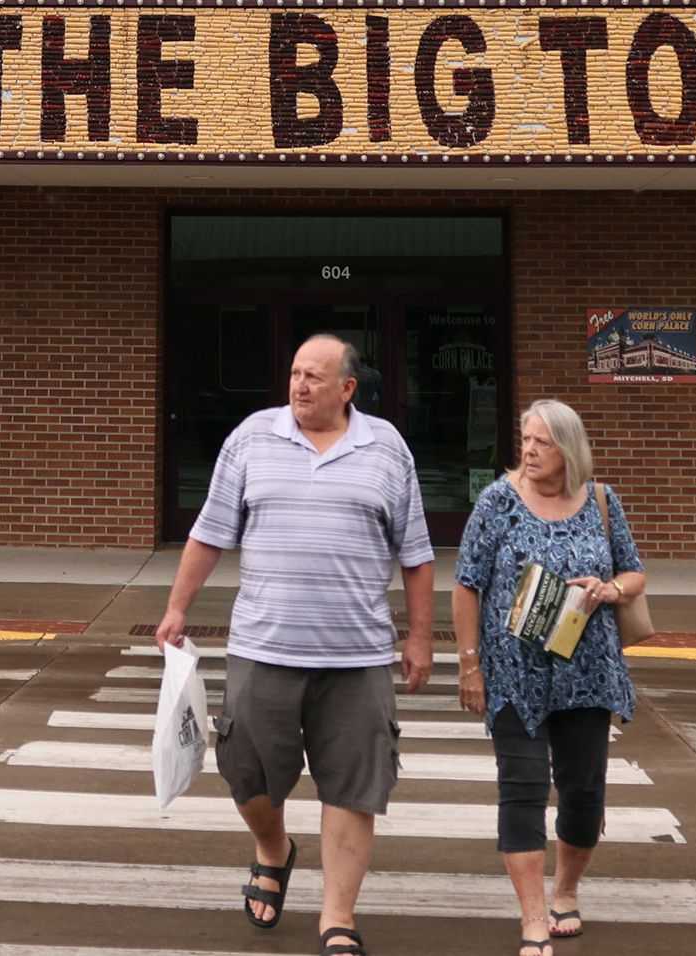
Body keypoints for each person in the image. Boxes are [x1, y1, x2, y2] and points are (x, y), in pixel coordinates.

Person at [159, 334, 434, 956]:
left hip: (357, 657)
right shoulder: (253, 438)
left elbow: (416, 556)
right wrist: (177, 608)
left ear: (347, 389)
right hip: (263, 647)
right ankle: (272, 846)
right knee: (245, 773)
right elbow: (209, 533)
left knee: (353, 787)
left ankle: (337, 918)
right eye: (294, 373)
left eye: (314, 376)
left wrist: (419, 637)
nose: (300, 385)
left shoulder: (386, 447)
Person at [449, 401, 646, 953]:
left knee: (583, 793)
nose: (529, 451)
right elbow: (467, 584)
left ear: (569, 449)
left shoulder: (602, 502)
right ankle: (532, 916)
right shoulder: (497, 503)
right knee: (522, 791)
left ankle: (566, 890)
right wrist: (470, 665)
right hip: (514, 675)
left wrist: (612, 589)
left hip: (587, 675)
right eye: (525, 439)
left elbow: (634, 571)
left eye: (542, 442)